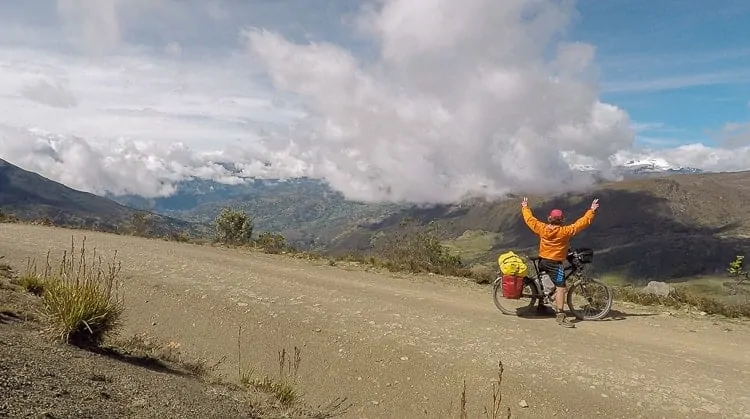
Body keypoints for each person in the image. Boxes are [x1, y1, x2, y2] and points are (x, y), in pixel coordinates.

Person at [520, 197, 599, 328]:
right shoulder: (565, 232)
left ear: (549, 218)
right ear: (562, 220)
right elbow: (581, 223)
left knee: (546, 282)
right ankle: (561, 316)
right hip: (554, 264)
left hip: (542, 260)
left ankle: (542, 305)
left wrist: (525, 207)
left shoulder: (542, 228)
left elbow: (530, 220)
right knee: (561, 287)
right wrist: (592, 210)